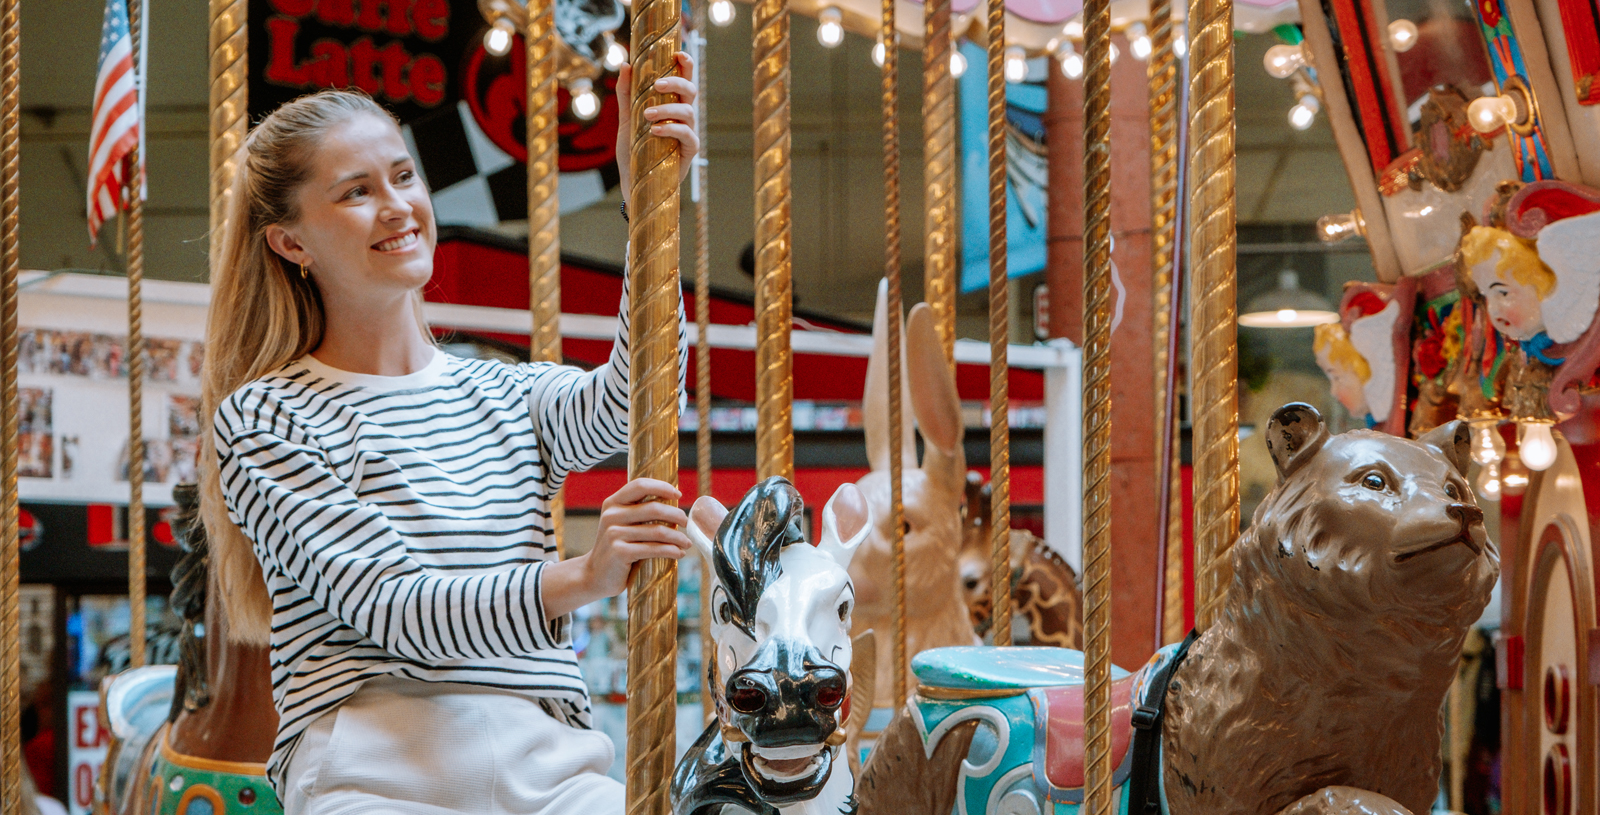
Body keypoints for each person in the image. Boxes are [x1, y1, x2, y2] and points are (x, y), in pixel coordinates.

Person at [199, 55, 699, 814]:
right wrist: (584, 575)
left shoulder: (503, 393)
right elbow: (394, 604)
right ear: (290, 243)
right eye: (357, 192)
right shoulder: (267, 418)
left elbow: (637, 401)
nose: (398, 205)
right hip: (374, 764)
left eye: (404, 177)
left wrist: (649, 210)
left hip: (546, 759)